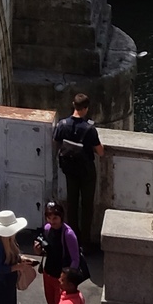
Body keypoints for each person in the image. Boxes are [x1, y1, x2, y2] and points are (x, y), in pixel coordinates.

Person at [53, 90, 103, 249]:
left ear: (73, 105)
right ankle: (85, 243)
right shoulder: (89, 128)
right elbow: (100, 151)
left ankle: (72, 240)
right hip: (87, 172)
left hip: (69, 170)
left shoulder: (62, 124)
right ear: (86, 108)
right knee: (87, 206)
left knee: (72, 204)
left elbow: (56, 142)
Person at [38, 202, 80, 304]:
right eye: (49, 218)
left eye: (55, 218)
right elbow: (47, 251)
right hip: (48, 275)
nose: (52, 221)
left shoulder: (68, 234)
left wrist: (66, 278)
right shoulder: (47, 229)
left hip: (60, 278)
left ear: (61, 217)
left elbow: (75, 259)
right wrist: (38, 249)